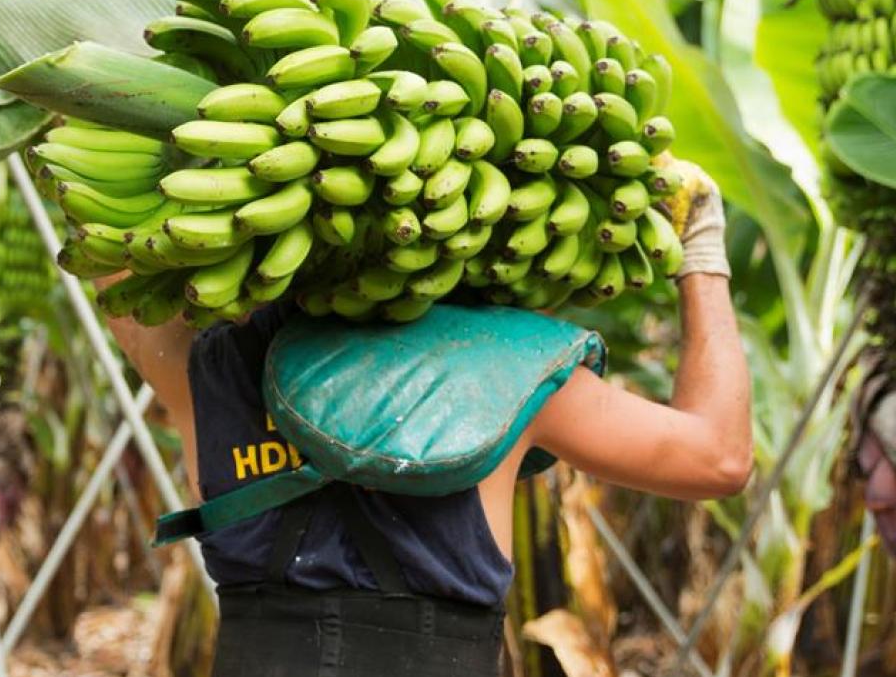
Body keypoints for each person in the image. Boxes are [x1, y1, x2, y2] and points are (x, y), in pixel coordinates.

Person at [99, 162, 752, 676]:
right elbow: (719, 457)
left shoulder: (212, 368)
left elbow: (112, 268)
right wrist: (699, 248)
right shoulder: (507, 365)